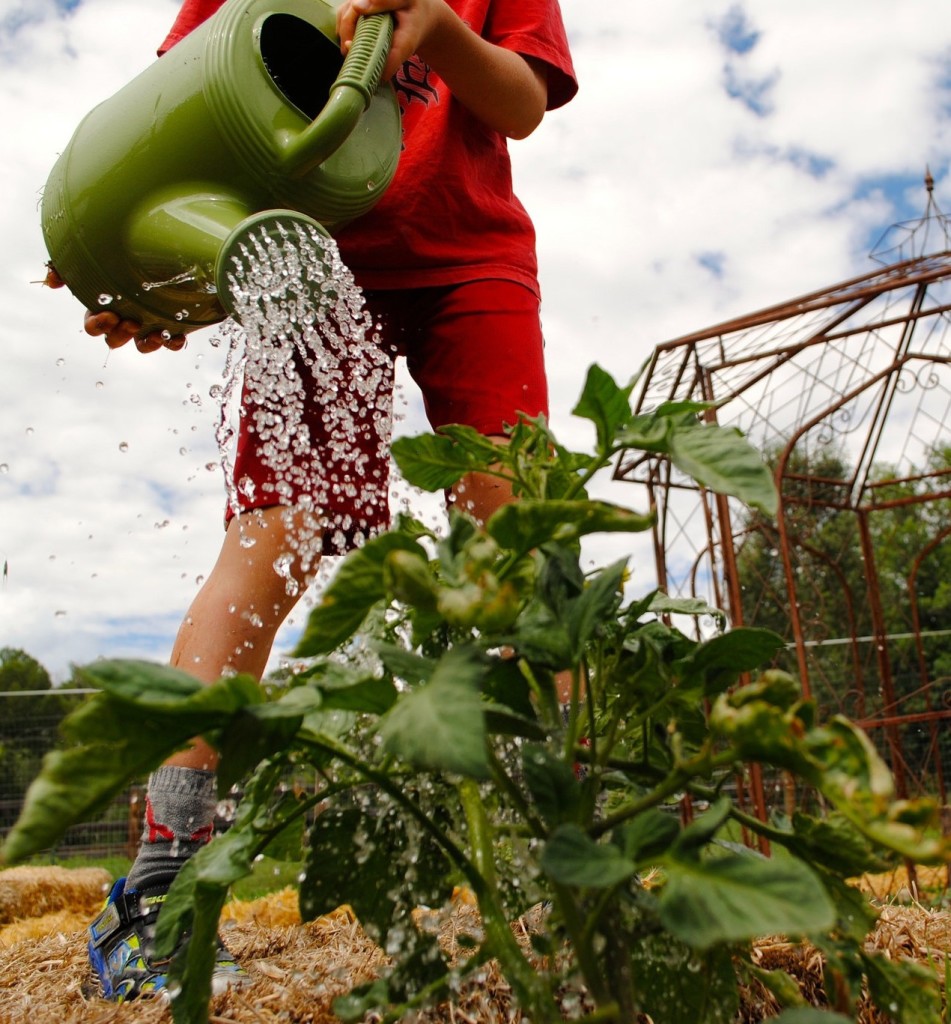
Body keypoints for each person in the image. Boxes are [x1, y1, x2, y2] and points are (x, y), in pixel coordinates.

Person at [51, 0, 576, 1003]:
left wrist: (441, 30)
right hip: (298, 256)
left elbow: (520, 106)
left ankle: (556, 857)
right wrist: (132, 254)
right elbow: (176, 112)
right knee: (275, 539)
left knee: (518, 538)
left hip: (473, 260)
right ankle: (163, 870)